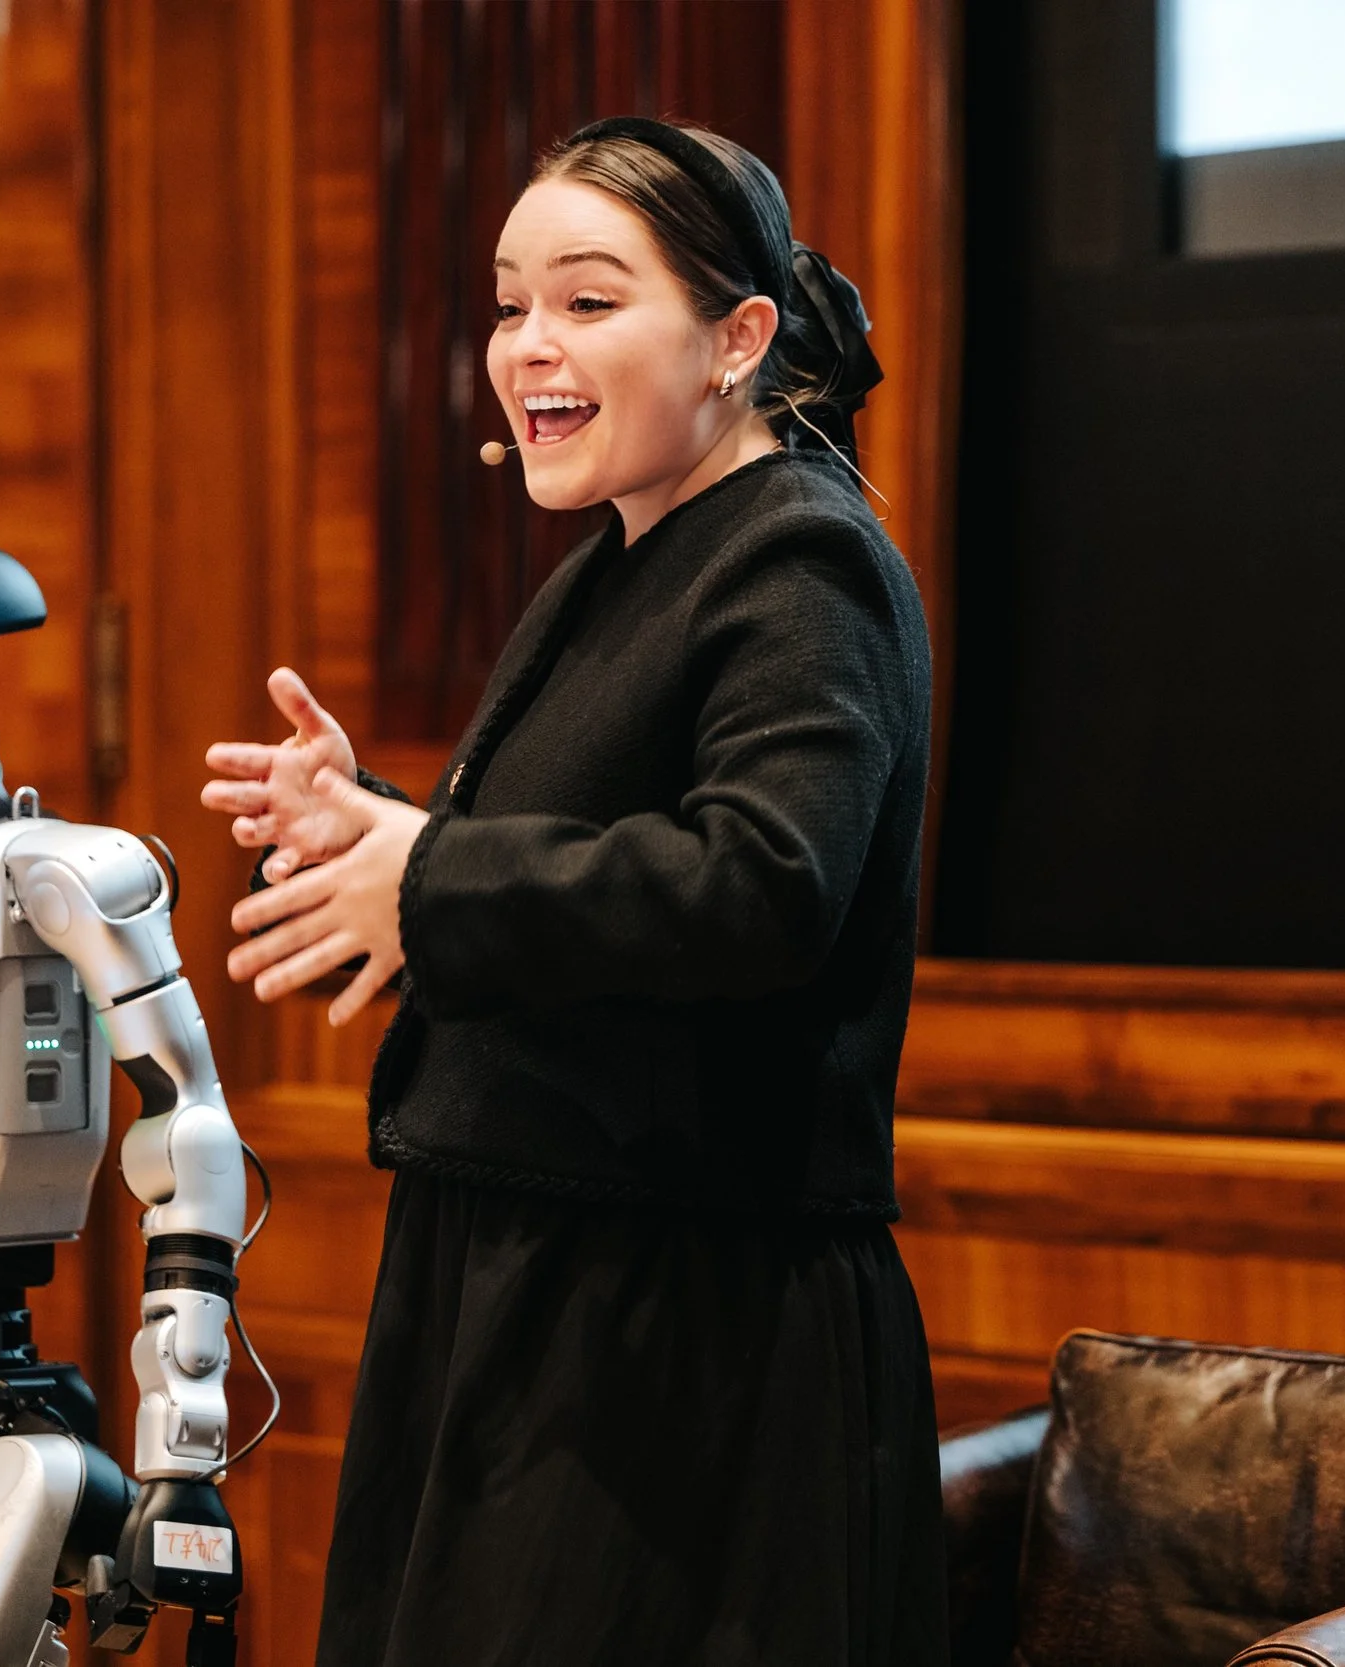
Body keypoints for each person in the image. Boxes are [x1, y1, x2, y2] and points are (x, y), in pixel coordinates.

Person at [200, 117, 945, 1667]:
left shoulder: (803, 561)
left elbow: (760, 884)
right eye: (509, 303)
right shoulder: (621, 558)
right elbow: (583, 878)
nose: (528, 345)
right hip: (525, 1283)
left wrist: (430, 874)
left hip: (687, 1329)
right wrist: (371, 836)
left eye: (589, 300)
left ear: (738, 338)